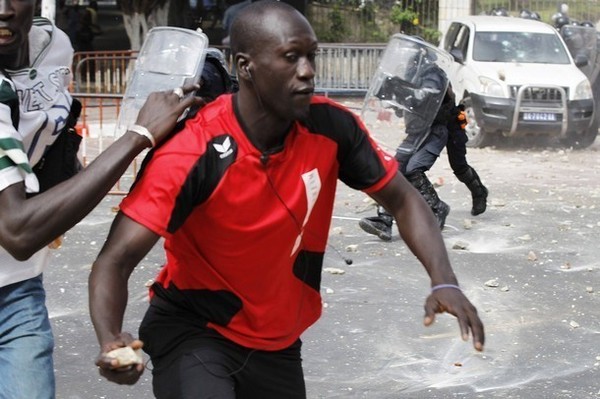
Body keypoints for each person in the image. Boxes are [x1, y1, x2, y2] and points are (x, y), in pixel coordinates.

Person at [88, 2, 485, 397]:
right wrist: (110, 339)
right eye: (291, 57)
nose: (308, 71)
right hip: (195, 329)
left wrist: (443, 281)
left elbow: (403, 199)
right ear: (245, 67)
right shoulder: (192, 151)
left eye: (311, 56)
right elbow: (115, 259)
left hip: (276, 343)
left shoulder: (332, 127)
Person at [0, 1, 202, 397]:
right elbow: (18, 231)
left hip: (18, 289)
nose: (3, 10)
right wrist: (138, 136)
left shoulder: (53, 45)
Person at [359, 46, 487, 241]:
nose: (408, 61)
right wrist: (389, 92)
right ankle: (384, 221)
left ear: (421, 57)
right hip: (421, 130)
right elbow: (405, 109)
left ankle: (478, 193)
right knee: (394, 170)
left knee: (458, 166)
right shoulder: (412, 73)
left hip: (447, 124)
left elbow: (423, 98)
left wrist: (397, 90)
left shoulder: (433, 74)